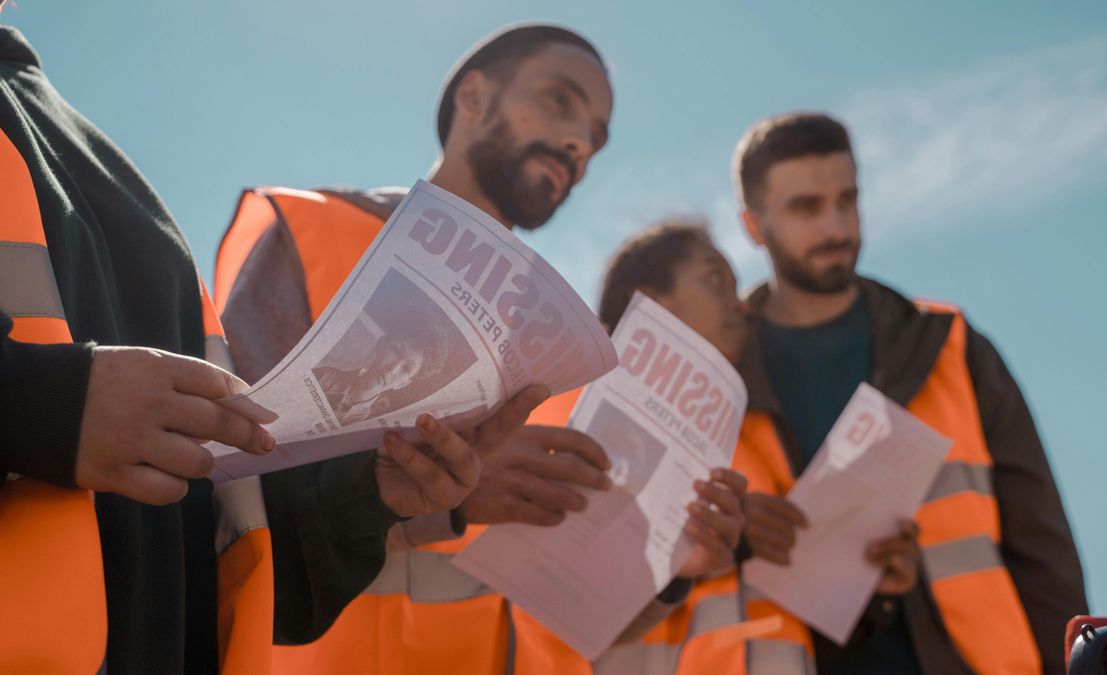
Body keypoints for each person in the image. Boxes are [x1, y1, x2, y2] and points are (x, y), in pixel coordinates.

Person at [0, 22, 540, 675]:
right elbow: (66, 413)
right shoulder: (293, 233)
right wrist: (46, 406)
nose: (578, 142)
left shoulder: (103, 172)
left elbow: (209, 538)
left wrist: (368, 493)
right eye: (560, 100)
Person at [215, 23, 744, 674]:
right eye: (560, 99)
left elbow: (559, 615)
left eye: (597, 138)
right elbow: (232, 511)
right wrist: (442, 498)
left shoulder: (563, 351)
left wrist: (671, 571)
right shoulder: (309, 233)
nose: (580, 142)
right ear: (473, 96)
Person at [731, 111, 1088, 674]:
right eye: (806, 207)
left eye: (848, 200)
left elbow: (1041, 546)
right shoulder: (720, 369)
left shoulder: (948, 344)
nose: (836, 227)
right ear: (754, 225)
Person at [594, 219, 920, 674]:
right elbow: (566, 599)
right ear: (650, 303)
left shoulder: (758, 443)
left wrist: (865, 585)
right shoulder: (585, 425)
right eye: (716, 281)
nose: (742, 308)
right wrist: (714, 536)